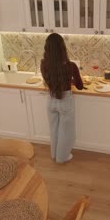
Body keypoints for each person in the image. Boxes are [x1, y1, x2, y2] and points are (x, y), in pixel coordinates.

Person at [41, 33, 83, 163]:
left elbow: (49, 80)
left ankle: (54, 154)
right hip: (65, 102)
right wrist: (71, 80)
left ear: (47, 48)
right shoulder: (71, 66)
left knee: (54, 129)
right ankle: (62, 157)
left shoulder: (43, 64)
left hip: (51, 100)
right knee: (66, 131)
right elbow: (80, 86)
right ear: (62, 48)